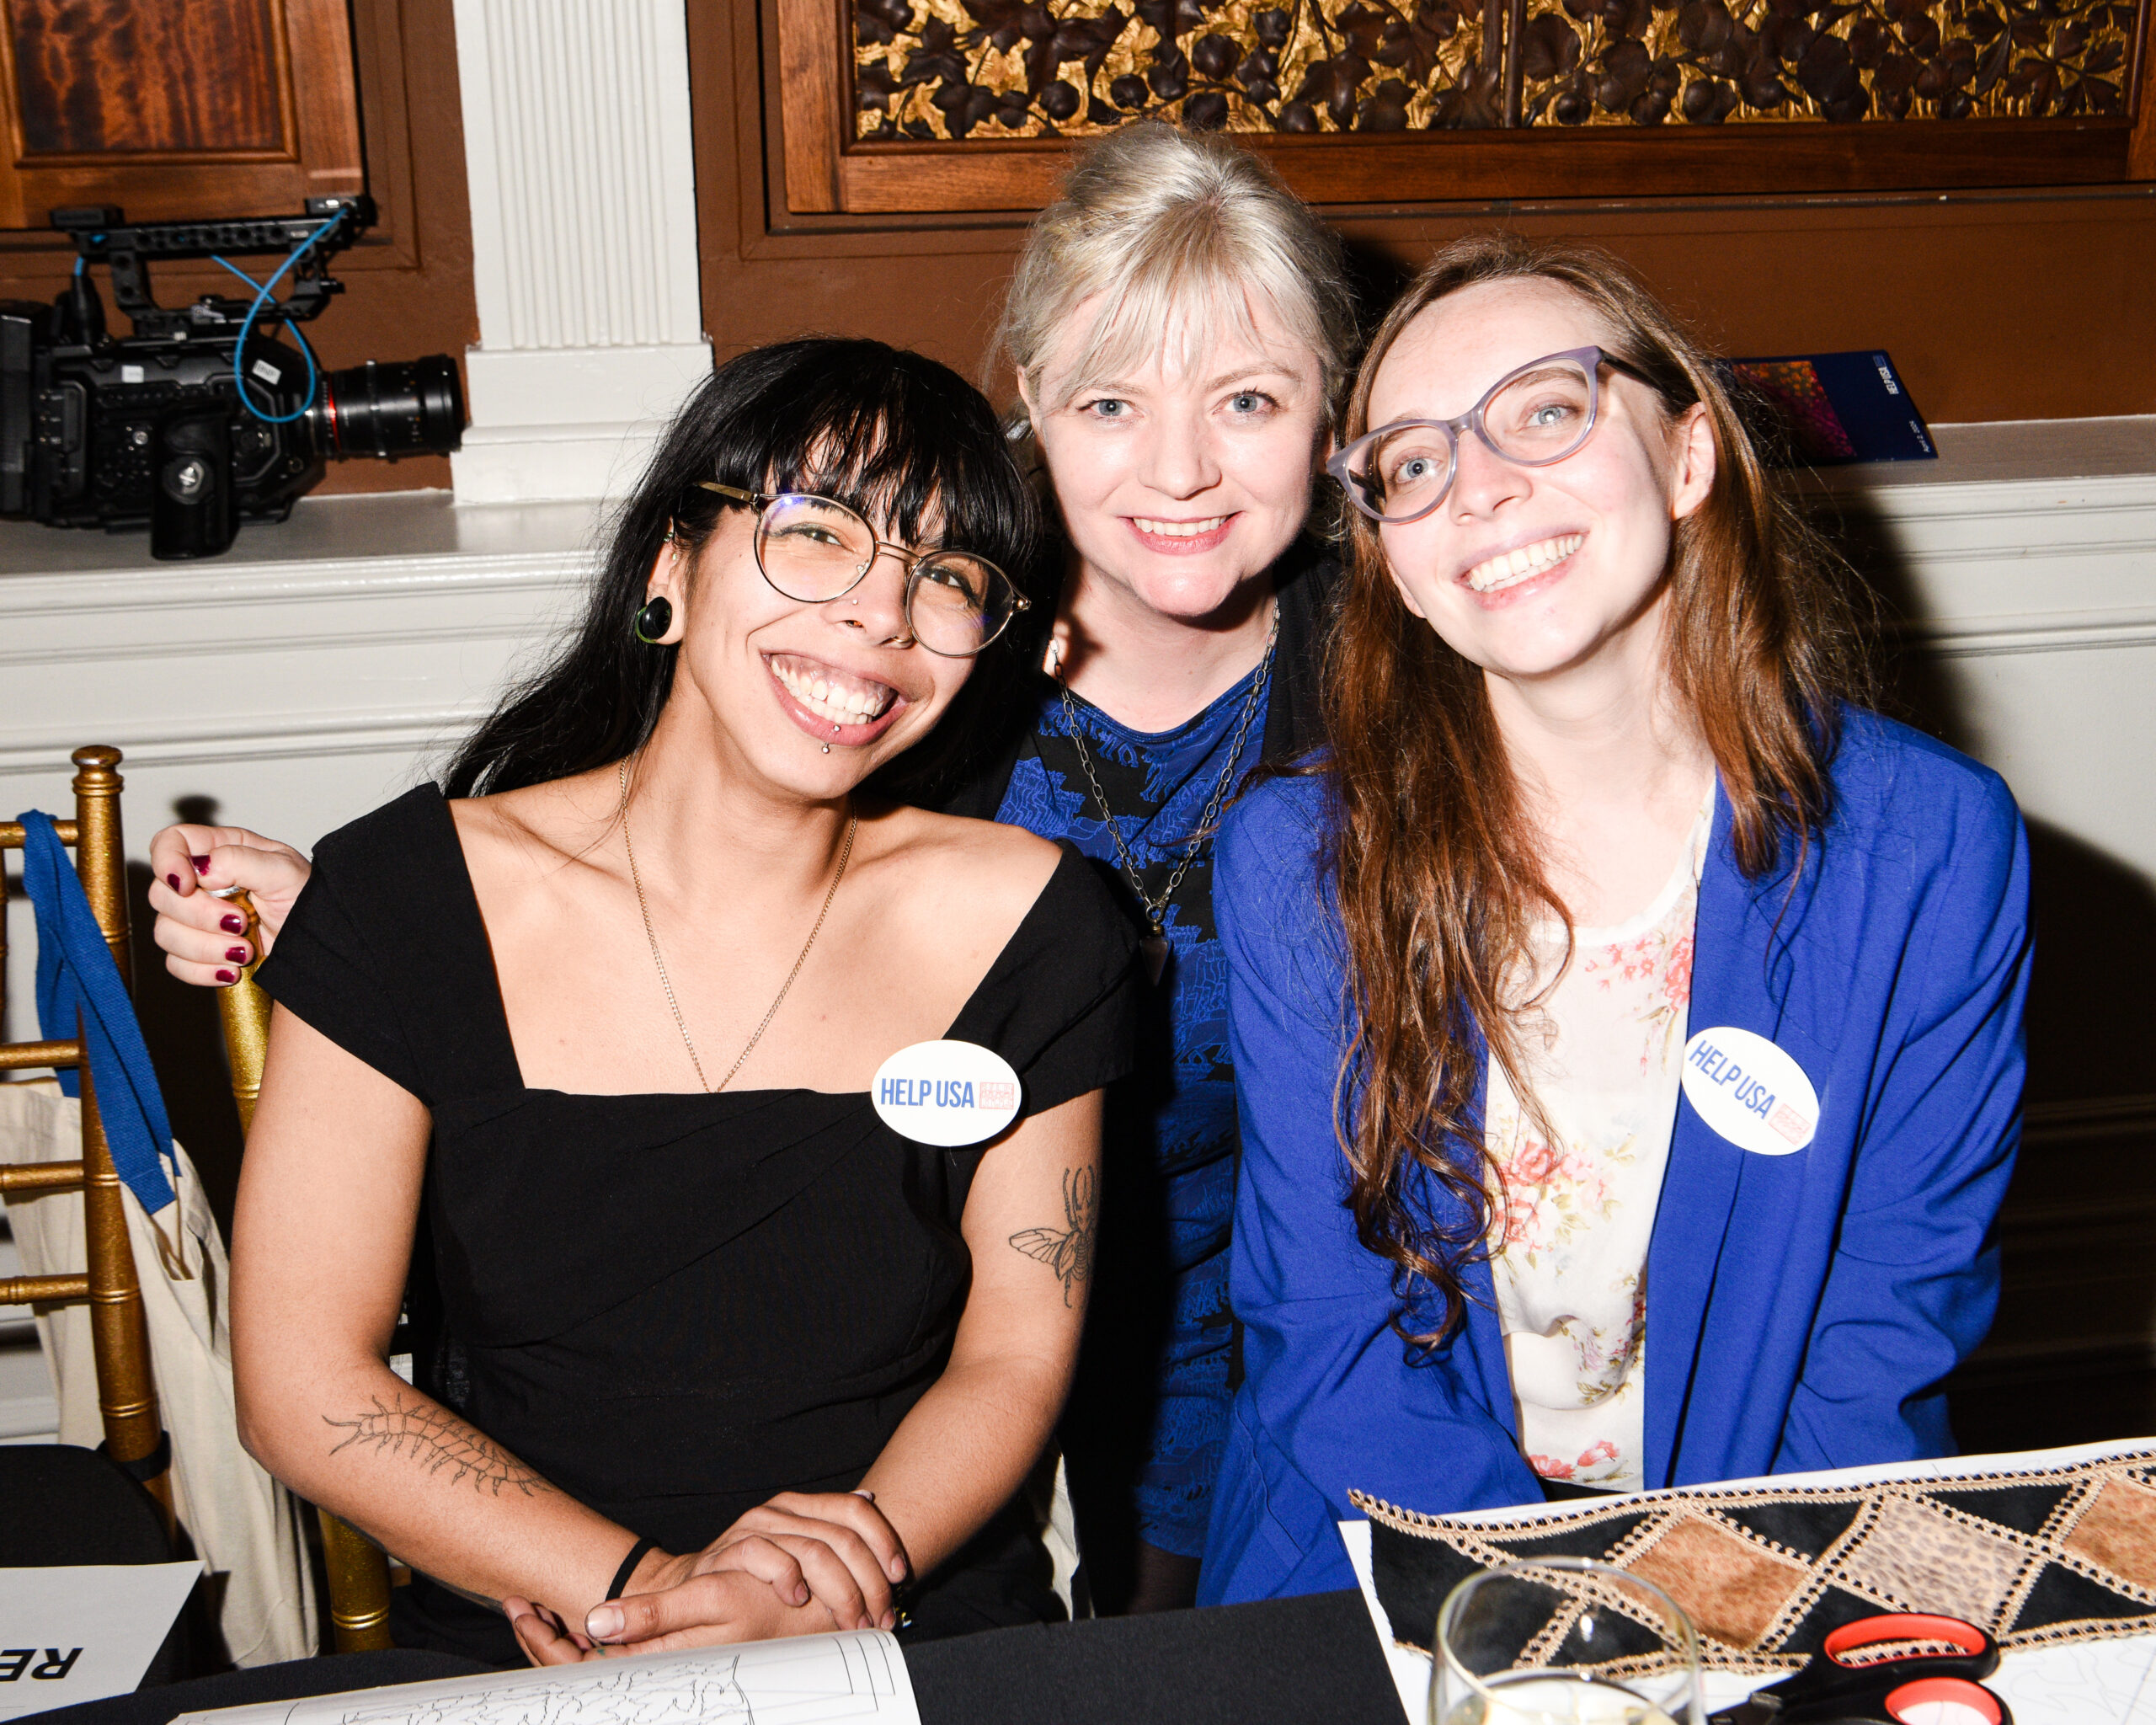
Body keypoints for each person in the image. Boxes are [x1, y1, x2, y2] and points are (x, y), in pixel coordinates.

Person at [155, 121, 1359, 1618]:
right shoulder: (929, 639)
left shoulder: (1399, 678)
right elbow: (651, 832)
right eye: (1114, 399)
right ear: (1038, 408)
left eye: (1248, 398)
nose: (878, 615)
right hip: (724, 1497)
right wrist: (363, 930)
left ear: (1332, 420)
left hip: (1288, 1312)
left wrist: (797, 1594)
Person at [189, 338, 1144, 1666]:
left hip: (906, 1611)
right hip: (534, 1623)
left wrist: (812, 1597)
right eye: (818, 532)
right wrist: (648, 1597)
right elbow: (304, 1386)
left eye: (947, 577)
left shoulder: (1037, 922)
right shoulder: (405, 899)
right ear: (668, 569)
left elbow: (1015, 1357)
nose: (882, 613)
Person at [1198, 234, 2031, 1605]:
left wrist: (1722, 1621)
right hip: (1374, 1553)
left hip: (1774, 1550)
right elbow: (1327, 1333)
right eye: (1413, 463)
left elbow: (1888, 1330)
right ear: (1391, 558)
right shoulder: (1301, 859)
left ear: (1689, 456)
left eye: (1546, 410)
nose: (1480, 485)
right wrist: (1573, 1625)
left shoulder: (1931, 845)